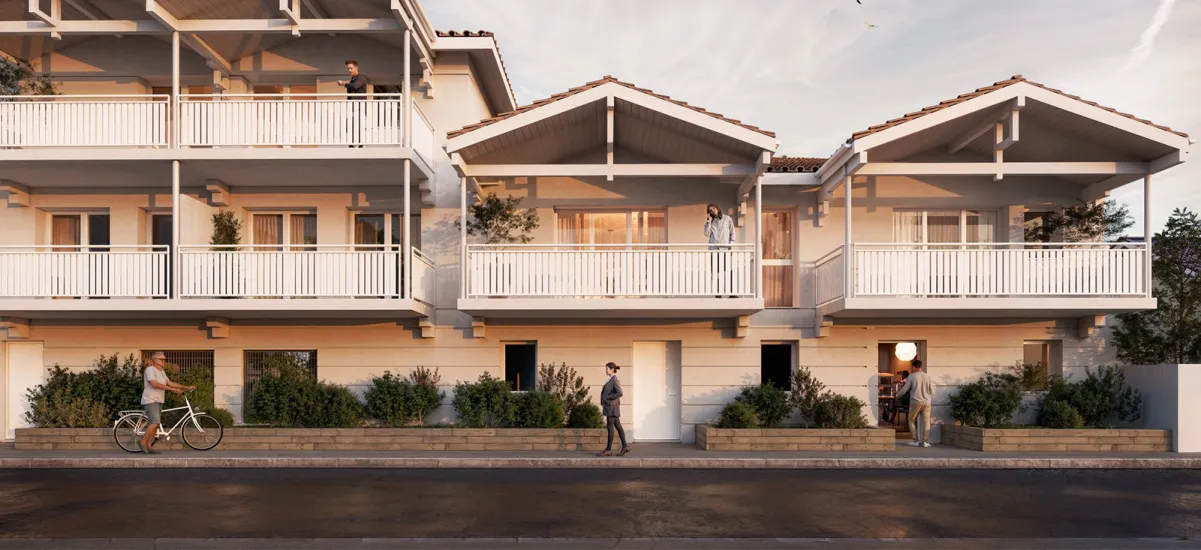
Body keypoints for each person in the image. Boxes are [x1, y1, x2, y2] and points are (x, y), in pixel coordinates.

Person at [139, 352, 194, 454]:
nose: (164, 361)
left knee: (156, 424)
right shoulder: (150, 370)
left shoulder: (162, 371)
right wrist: (173, 390)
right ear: (155, 360)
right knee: (154, 422)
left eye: (164, 359)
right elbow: (154, 384)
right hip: (151, 399)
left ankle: (149, 446)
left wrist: (186, 387)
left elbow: (170, 382)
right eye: (161, 359)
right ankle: (142, 442)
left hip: (159, 399)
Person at [896, 360, 933, 447]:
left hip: (915, 401)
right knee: (926, 421)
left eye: (912, 367)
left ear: (914, 367)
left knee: (911, 420)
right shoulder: (928, 376)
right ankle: (926, 442)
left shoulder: (911, 376)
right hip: (927, 402)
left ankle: (915, 440)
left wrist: (898, 395)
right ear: (921, 366)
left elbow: (905, 389)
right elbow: (932, 390)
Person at [597, 362, 630, 457]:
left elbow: (620, 393)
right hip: (611, 407)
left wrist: (608, 397)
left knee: (610, 427)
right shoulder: (611, 379)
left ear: (612, 369)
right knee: (618, 426)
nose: (605, 370)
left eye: (607, 368)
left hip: (612, 407)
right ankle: (625, 446)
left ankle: (608, 450)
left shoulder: (615, 380)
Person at [703, 204, 736, 297]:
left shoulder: (727, 219)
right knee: (716, 272)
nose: (712, 210)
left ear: (717, 208)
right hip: (714, 250)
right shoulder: (710, 222)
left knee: (728, 271)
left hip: (725, 250)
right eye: (710, 210)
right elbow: (706, 233)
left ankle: (731, 293)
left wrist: (730, 245)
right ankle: (718, 292)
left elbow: (732, 233)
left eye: (713, 208)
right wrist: (709, 222)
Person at [337, 60, 368, 147]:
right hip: (353, 106)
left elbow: (355, 86)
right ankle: (352, 143)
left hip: (359, 106)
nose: (349, 70)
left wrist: (343, 84)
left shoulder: (361, 78)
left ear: (356, 68)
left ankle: (360, 144)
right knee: (351, 124)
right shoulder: (353, 79)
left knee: (359, 125)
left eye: (351, 68)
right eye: (348, 69)